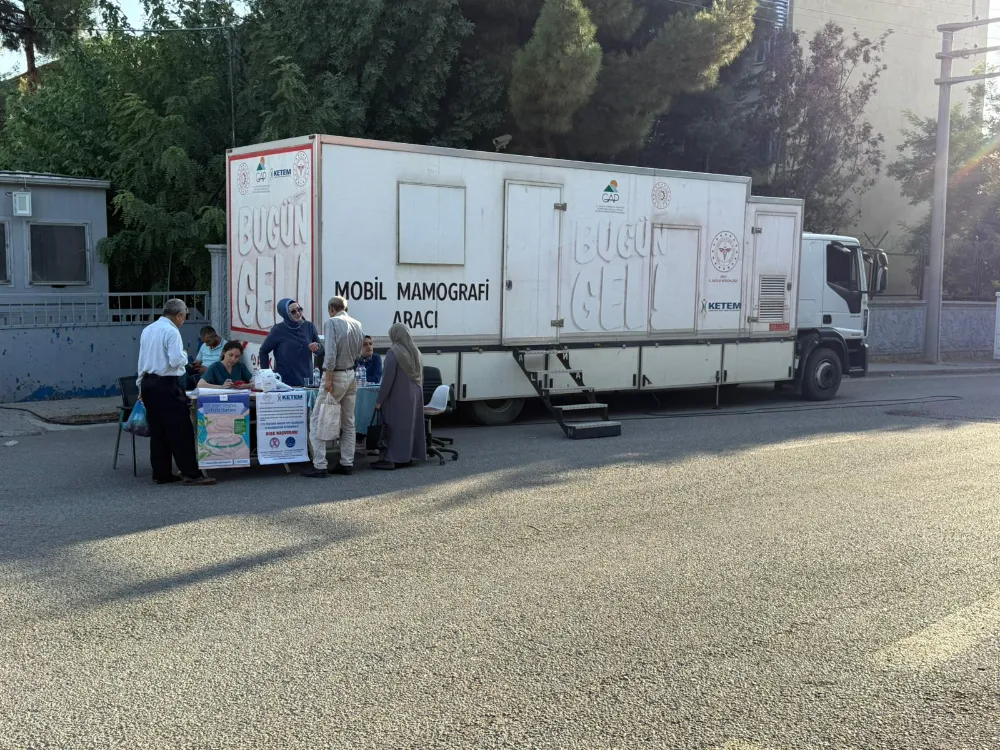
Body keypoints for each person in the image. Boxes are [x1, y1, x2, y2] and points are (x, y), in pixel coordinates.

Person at [136, 299, 216, 486]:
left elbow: (142, 360)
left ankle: (161, 473)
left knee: (159, 431)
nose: (184, 320)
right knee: (181, 430)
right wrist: (184, 355)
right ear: (179, 315)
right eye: (184, 316)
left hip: (148, 383)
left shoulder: (148, 329)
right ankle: (191, 474)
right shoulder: (171, 331)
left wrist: (140, 386)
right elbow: (175, 360)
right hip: (166, 384)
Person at [304, 296, 365, 478]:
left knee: (317, 419)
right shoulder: (357, 324)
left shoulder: (331, 323)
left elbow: (330, 354)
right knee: (348, 422)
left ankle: (320, 465)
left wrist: (328, 378)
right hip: (351, 374)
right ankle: (347, 462)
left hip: (335, 374)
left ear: (331, 308)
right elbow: (359, 353)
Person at [371, 323, 427, 471]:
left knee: (394, 428)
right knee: (409, 427)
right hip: (415, 397)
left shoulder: (394, 352)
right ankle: (407, 457)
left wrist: (379, 400)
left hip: (397, 397)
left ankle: (391, 459)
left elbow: (387, 379)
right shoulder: (416, 352)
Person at [259, 298, 322, 387]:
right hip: (285, 384)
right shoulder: (278, 330)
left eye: (299, 309)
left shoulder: (309, 326)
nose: (298, 313)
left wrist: (317, 347)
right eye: (293, 312)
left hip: (306, 382)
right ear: (285, 313)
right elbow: (263, 351)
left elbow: (320, 350)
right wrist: (267, 375)